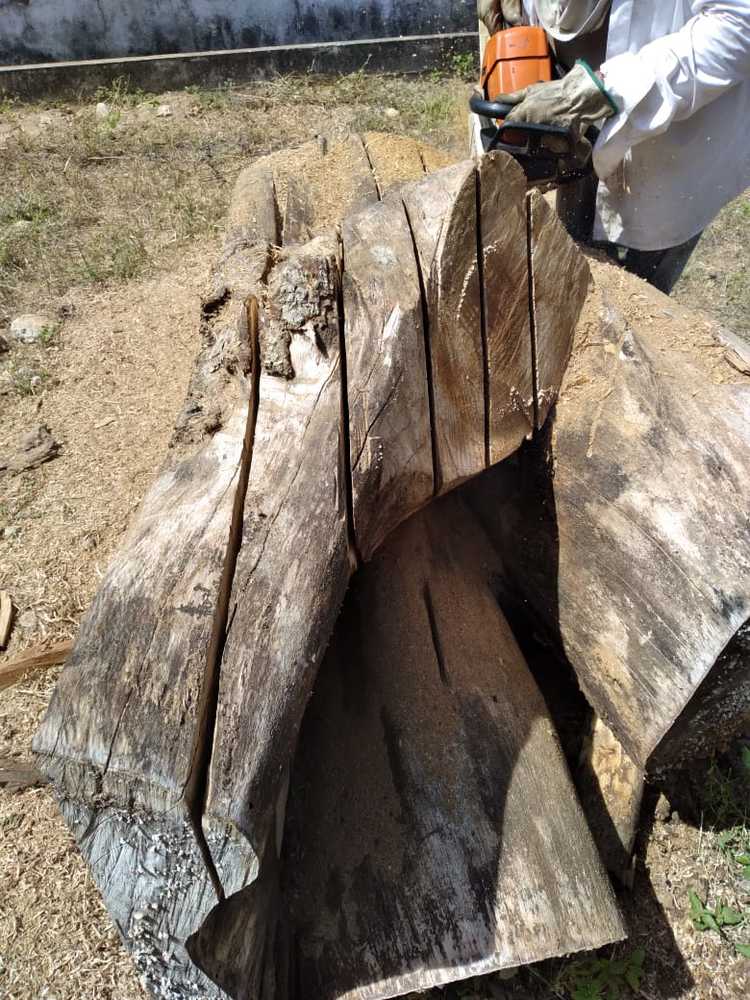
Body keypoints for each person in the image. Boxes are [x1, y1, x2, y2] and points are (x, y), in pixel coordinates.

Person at [477, 1, 750, 293]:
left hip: (666, 149)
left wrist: (612, 87)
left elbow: (739, 24)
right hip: (567, 122)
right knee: (564, 281)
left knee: (637, 300)